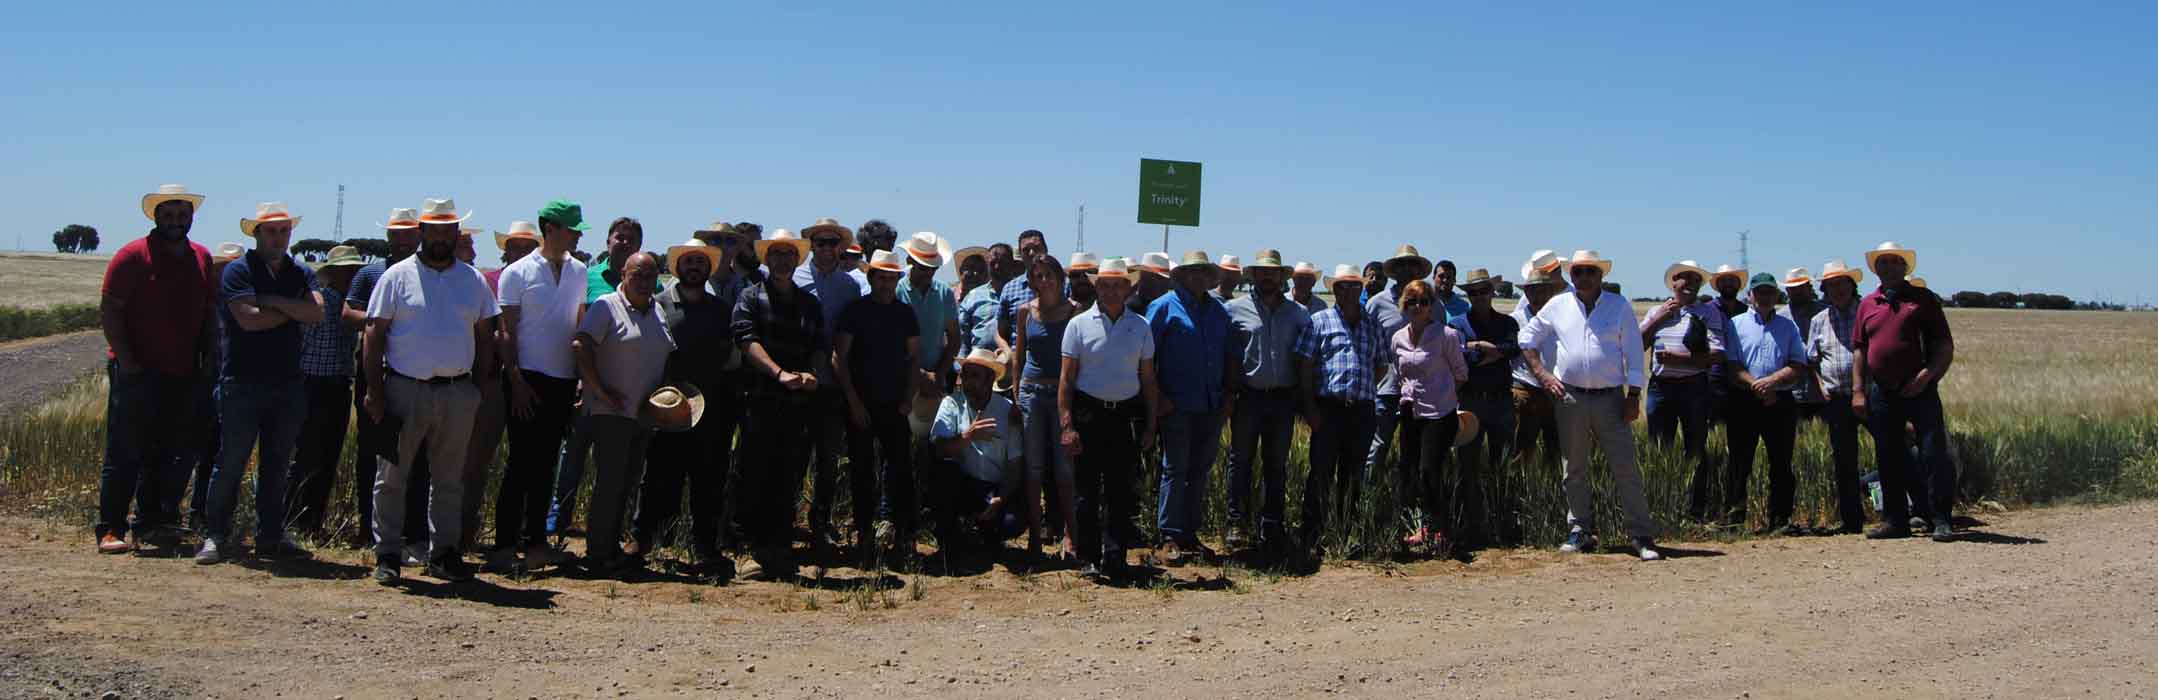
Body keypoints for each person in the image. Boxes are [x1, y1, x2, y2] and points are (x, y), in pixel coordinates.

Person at [361, 198, 499, 584]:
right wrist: (375, 390)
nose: (441, 236)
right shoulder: (396, 277)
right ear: (421, 232)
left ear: (457, 233)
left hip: (457, 392)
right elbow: (373, 335)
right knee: (391, 476)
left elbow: (485, 335)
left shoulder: (472, 280)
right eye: (434, 229)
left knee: (450, 478)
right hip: (404, 389)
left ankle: (444, 553)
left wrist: (479, 384)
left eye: (448, 229)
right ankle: (387, 552)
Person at [197, 202, 324, 564]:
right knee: (231, 462)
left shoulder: (300, 272)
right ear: (256, 233)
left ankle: (270, 537)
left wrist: (269, 300)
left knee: (277, 465)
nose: (279, 237)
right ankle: (215, 535)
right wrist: (289, 309)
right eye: (272, 231)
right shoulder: (238, 271)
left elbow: (316, 313)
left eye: (284, 231)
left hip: (287, 383)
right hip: (242, 382)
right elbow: (248, 320)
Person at [95, 185, 216, 554]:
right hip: (135, 373)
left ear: (191, 217)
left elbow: (208, 313)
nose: (175, 222)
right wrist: (129, 362)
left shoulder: (202, 258)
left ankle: (153, 523)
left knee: (169, 451)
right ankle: (111, 528)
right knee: (125, 451)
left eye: (181, 215)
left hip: (182, 373)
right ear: (155, 217)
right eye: (168, 215)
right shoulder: (132, 256)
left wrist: (207, 359)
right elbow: (110, 310)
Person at [1518, 250, 1660, 561]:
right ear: (1571, 275)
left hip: (1611, 398)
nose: (1584, 277)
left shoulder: (1618, 306)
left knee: (1625, 468)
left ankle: (1640, 535)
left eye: (1590, 272)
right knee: (1574, 469)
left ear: (1600, 275)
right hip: (1570, 397)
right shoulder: (1558, 305)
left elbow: (1635, 352)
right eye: (1578, 271)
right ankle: (1580, 530)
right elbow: (1527, 339)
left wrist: (1633, 395)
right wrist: (1542, 375)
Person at [634, 234, 751, 576]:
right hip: (666, 405)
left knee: (708, 480)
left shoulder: (721, 310)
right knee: (657, 477)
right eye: (689, 261)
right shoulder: (656, 304)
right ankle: (642, 541)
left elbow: (732, 357)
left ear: (708, 267)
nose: (695, 266)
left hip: (710, 407)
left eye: (701, 262)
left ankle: (705, 546)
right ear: (678, 266)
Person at [489, 200, 589, 571]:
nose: (577, 234)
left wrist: (579, 377)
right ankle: (503, 545)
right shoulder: (517, 273)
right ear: (550, 228)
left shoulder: (579, 271)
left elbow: (577, 324)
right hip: (526, 377)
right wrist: (514, 379)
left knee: (546, 464)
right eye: (571, 228)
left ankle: (535, 543)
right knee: (520, 463)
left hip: (563, 380)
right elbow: (506, 331)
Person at [570, 252, 675, 575]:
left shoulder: (656, 309)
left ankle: (610, 547)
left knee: (626, 484)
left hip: (642, 414)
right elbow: (580, 344)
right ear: (624, 276)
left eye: (650, 276)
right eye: (637, 275)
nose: (644, 282)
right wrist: (598, 390)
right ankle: (599, 553)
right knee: (611, 483)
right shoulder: (606, 306)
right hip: (610, 412)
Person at [732, 228, 827, 579]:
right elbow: (746, 340)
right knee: (753, 474)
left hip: (798, 405)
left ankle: (779, 549)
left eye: (789, 254)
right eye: (776, 254)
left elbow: (819, 347)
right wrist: (778, 374)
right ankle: (746, 551)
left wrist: (814, 374)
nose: (782, 260)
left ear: (796, 259)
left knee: (788, 477)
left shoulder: (809, 304)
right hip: (759, 400)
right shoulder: (750, 297)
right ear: (766, 258)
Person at [1057, 258, 1159, 580]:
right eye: (1105, 284)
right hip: (1089, 413)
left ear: (1128, 288)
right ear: (1096, 287)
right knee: (1086, 490)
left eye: (1118, 285)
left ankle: (1116, 557)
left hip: (1125, 415)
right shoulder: (1078, 325)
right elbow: (1066, 381)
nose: (1112, 291)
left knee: (1120, 491)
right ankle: (1088, 557)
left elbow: (1148, 380)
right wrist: (1067, 425)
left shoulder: (1141, 326)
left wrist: (1151, 423)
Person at [549, 216, 649, 538]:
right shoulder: (585, 277)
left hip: (623, 397)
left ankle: (610, 529)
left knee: (614, 469)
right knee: (571, 459)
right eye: (619, 237)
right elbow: (573, 331)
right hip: (582, 388)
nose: (625, 242)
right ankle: (556, 524)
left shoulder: (651, 284)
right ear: (607, 241)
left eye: (631, 238)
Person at [1852, 242, 1957, 542]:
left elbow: (1944, 347)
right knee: (1888, 456)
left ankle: (1941, 519)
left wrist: (1926, 377)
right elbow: (1860, 350)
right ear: (1877, 269)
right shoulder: (1868, 304)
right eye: (1883, 263)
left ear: (1905, 267)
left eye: (1895, 262)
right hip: (1882, 392)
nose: (1889, 267)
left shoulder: (1923, 300)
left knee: (1933, 453)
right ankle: (1895, 521)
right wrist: (1858, 390)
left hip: (1920, 389)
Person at [833, 250, 923, 567]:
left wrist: (908, 399)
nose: (886, 282)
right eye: (881, 276)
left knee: (900, 471)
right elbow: (839, 358)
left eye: (891, 277)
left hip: (895, 405)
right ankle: (864, 537)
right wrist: (853, 401)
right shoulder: (855, 311)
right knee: (861, 472)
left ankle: (904, 538)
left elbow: (915, 359)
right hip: (861, 403)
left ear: (897, 280)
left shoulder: (904, 313)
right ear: (871, 278)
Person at [1295, 265, 1389, 563]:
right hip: (1328, 409)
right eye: (1341, 287)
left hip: (1361, 410)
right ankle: (1312, 536)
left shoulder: (1372, 325)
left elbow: (1381, 365)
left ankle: (1346, 535)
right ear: (1334, 290)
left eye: (1353, 286)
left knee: (1353, 476)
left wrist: (1361, 390)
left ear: (1361, 290)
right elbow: (1305, 367)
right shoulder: (1319, 321)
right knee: (1320, 473)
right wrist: (1309, 407)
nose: (1348, 291)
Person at [346, 207, 426, 557]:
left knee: (416, 455)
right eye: (396, 234)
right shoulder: (370, 273)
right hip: (373, 372)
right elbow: (348, 313)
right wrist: (385, 318)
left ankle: (412, 533)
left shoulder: (425, 275)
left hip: (412, 373)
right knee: (373, 452)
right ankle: (370, 528)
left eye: (408, 234)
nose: (402, 240)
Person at [1147, 250, 1232, 565]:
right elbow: (1146, 358)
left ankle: (1189, 534)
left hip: (1211, 403)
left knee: (1199, 470)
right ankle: (1169, 534)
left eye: (1203, 272)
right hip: (1176, 405)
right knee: (1175, 468)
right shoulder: (1164, 307)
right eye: (1192, 272)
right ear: (1181, 276)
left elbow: (1227, 355)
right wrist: (1158, 397)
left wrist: (1227, 398)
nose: (1198, 277)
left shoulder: (1219, 312)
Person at [1223, 250, 1310, 555]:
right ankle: (1237, 524)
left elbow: (1306, 360)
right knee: (1240, 461)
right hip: (1248, 396)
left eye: (1273, 272)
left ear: (1283, 277)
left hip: (1283, 399)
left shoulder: (1298, 314)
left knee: (1276, 465)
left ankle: (1272, 525)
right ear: (1254, 276)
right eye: (1262, 272)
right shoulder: (1233, 310)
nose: (1268, 277)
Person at [787, 217, 861, 550]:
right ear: (812, 246)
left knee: (828, 459)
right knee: (794, 454)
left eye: (833, 242)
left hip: (834, 382)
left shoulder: (850, 286)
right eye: (821, 242)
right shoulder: (795, 277)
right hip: (799, 378)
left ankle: (821, 520)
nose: (827, 248)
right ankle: (787, 521)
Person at [1637, 260, 1727, 523]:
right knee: (1659, 449)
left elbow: (1717, 354)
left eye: (1694, 279)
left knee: (1696, 450)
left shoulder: (1707, 313)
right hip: (1660, 388)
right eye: (1683, 278)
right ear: (1673, 282)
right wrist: (1659, 318)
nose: (1688, 284)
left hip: (1694, 388)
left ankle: (1694, 512)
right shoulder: (1657, 310)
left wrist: (1679, 359)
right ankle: (1660, 508)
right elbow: (1637, 345)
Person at [288, 245, 366, 537]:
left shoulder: (343, 304)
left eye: (354, 271)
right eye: (346, 271)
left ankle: (306, 522)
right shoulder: (325, 303)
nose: (351, 275)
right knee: (311, 455)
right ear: (332, 274)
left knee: (320, 455)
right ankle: (300, 521)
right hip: (316, 384)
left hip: (333, 384)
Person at [1390, 280, 1472, 554]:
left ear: (1432, 306)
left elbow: (1461, 374)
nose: (1418, 307)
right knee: (1410, 471)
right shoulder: (1398, 338)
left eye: (1424, 302)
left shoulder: (1446, 336)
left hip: (1439, 413)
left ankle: (1440, 529)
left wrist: (1444, 396)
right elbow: (1399, 372)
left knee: (1430, 470)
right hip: (1410, 412)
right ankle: (1422, 527)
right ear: (1404, 305)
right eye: (1412, 301)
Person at [1725, 273, 1810, 535]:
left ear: (1777, 296)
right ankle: (1734, 523)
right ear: (1749, 295)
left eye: (1769, 292)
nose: (1764, 297)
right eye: (1759, 292)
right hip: (1743, 401)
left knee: (1782, 464)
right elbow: (1731, 365)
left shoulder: (1788, 327)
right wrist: (1756, 385)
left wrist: (1771, 383)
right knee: (1740, 463)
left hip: (1780, 401)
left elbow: (1798, 364)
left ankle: (1780, 521)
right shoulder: (1735, 324)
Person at [1010, 254, 1079, 560]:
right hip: (1032, 394)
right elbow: (1019, 355)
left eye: (1049, 274)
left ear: (1059, 277)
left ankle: (1071, 536)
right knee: (1033, 468)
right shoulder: (1026, 312)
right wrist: (1016, 393)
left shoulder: (1074, 312)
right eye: (1038, 276)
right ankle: (1035, 538)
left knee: (1065, 470)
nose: (1044, 281)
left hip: (1062, 394)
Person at [931, 349, 1026, 560]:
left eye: (974, 376)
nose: (967, 382)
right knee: (944, 471)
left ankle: (984, 534)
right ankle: (950, 539)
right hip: (964, 483)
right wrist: (968, 437)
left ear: (990, 378)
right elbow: (939, 447)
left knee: (1013, 521)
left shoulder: (1007, 411)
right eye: (965, 375)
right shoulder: (952, 403)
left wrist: (1001, 497)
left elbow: (1015, 464)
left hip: (994, 489)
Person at [1806, 260, 1869, 534]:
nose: (1838, 290)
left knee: (1892, 453)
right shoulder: (1819, 320)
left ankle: (1901, 513)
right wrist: (1820, 386)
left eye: (1842, 284)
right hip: (1837, 400)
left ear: (1852, 286)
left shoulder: (1866, 312)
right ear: (1825, 290)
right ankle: (1852, 521)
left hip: (1869, 396)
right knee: (1844, 462)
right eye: (1831, 286)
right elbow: (1811, 360)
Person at [1453, 268, 1518, 525]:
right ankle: (1469, 521)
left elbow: (1514, 348)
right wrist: (1484, 348)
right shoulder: (1457, 324)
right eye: (1474, 292)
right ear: (1468, 295)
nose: (1479, 296)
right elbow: (1458, 354)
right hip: (1470, 401)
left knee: (1502, 463)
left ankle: (1501, 518)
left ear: (1492, 292)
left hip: (1501, 401)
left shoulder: (1507, 323)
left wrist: (1488, 349)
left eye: (1484, 291)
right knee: (1467, 464)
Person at [896, 233, 961, 432]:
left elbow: (954, 338)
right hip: (902, 379)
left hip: (938, 379)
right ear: (910, 261)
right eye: (923, 268)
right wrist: (921, 375)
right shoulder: (897, 292)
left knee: (937, 441)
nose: (928, 273)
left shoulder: (944, 293)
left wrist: (938, 375)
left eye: (933, 268)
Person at [1509, 252, 1565, 464]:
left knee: (1556, 448)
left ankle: (1550, 492)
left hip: (1556, 390)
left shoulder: (1561, 317)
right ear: (1526, 292)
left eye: (1543, 289)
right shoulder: (1515, 319)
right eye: (1533, 290)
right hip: (1525, 389)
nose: (1538, 295)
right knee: (1521, 448)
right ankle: (1518, 490)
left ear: (1551, 292)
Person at [1780, 267, 1826, 418]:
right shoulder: (1780, 317)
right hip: (1791, 390)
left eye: (1801, 287)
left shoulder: (1825, 312)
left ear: (1809, 288)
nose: (1798, 292)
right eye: (1794, 289)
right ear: (1787, 291)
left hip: (1824, 388)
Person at [996, 230, 1050, 346]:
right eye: (1026, 250)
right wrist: (1007, 352)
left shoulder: (1063, 285)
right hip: (1016, 357)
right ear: (1020, 254)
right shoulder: (1009, 289)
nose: (1031, 253)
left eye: (1036, 248)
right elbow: (1000, 333)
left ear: (1045, 250)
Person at [953, 245, 999, 369]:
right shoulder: (948, 296)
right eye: (971, 268)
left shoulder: (998, 296)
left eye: (981, 270)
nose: (975, 273)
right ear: (961, 270)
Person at [485, 221, 542, 292]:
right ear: (507, 250)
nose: (522, 253)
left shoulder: (544, 281)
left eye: (528, 248)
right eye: (516, 247)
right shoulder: (490, 280)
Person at [1431, 259, 1472, 324]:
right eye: (1441, 276)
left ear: (1454, 280)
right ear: (1433, 278)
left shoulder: (1465, 308)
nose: (1445, 280)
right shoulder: (1424, 303)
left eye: (1449, 277)